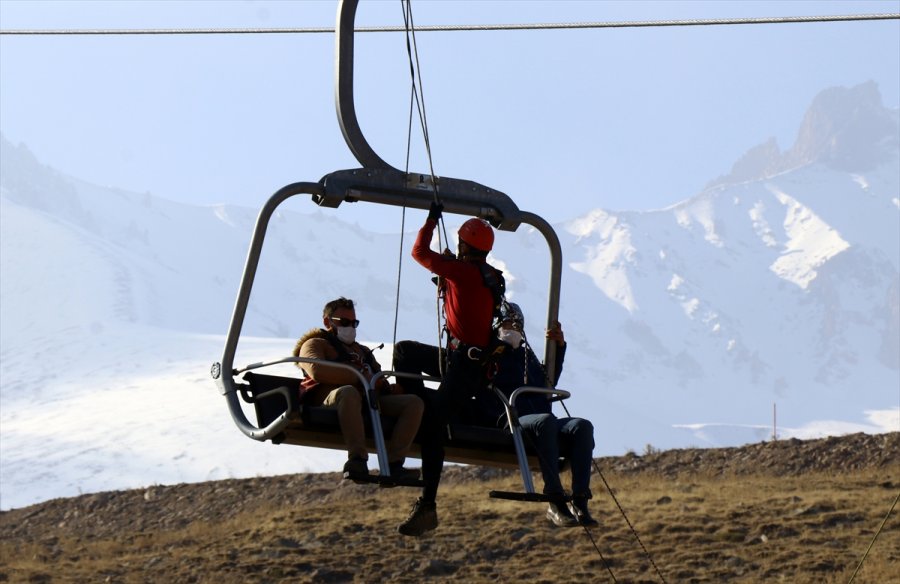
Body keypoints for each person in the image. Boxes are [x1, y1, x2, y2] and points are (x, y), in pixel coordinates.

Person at [397, 202, 504, 537]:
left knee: (432, 427)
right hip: (468, 362)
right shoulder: (487, 278)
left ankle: (427, 504)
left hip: (461, 365)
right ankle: (418, 406)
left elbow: (418, 251)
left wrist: (430, 220)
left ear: (464, 244)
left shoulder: (460, 272)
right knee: (405, 353)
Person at [473, 302, 599, 528]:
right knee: (546, 421)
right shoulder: (490, 355)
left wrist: (558, 347)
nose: (513, 329)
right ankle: (555, 498)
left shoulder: (526, 357)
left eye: (517, 325)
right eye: (508, 324)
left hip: (540, 420)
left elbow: (547, 379)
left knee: (582, 426)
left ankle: (580, 500)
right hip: (511, 419)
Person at [293, 297, 423, 483]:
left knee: (413, 403)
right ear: (327, 321)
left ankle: (394, 464)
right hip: (332, 397)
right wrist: (359, 377)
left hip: (368, 399)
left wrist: (386, 387)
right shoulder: (315, 344)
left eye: (354, 323)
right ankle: (357, 459)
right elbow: (316, 370)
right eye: (344, 322)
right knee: (349, 392)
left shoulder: (362, 352)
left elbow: (377, 378)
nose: (350, 327)